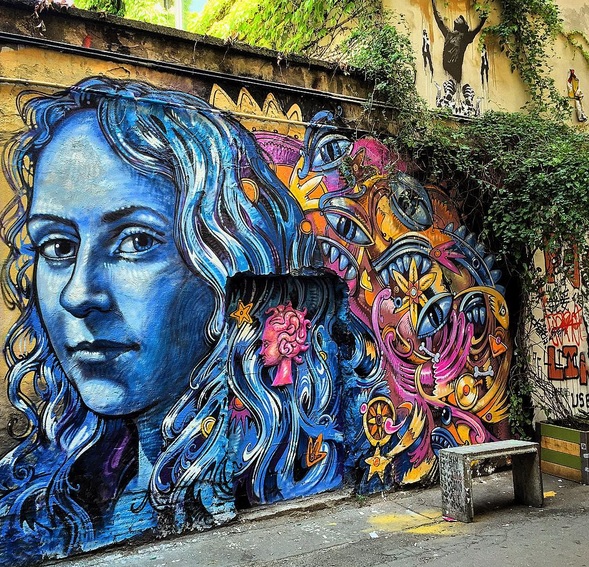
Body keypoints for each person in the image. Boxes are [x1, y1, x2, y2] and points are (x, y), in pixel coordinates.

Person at [0, 76, 318, 562]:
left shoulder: (279, 466)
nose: (78, 295)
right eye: (58, 246)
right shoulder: (50, 487)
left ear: (223, 264)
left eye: (136, 241)